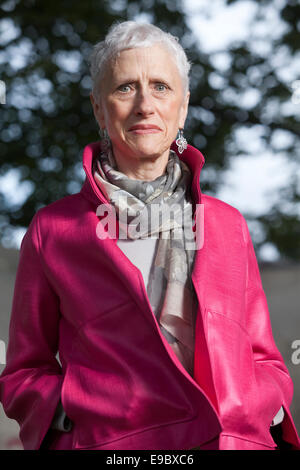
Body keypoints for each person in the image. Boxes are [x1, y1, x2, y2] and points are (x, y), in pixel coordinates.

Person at [0, 20, 299, 451]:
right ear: (99, 108)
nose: (145, 104)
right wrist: (77, 420)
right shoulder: (54, 230)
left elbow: (265, 358)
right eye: (125, 88)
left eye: (161, 87)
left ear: (183, 106)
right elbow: (24, 371)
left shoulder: (227, 223)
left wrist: (259, 411)